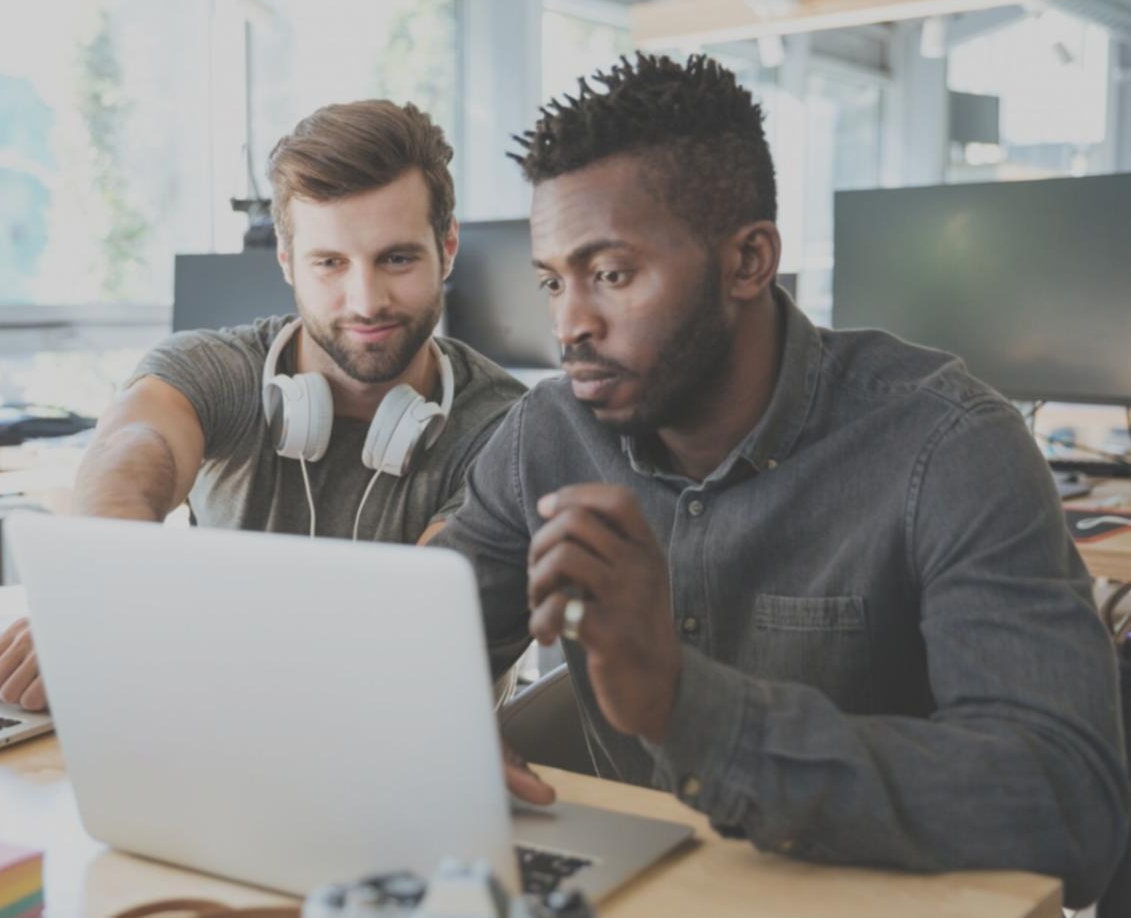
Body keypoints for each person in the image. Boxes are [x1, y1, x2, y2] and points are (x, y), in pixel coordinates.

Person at [433, 53, 1128, 906]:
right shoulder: (548, 431)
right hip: (642, 888)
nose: (568, 324)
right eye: (552, 281)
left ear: (749, 259)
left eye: (610, 274)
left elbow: (1069, 809)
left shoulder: (948, 445)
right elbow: (420, 642)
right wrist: (425, 736)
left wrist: (684, 705)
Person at [0, 99, 527, 712]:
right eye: (330, 263)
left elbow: (408, 634)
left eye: (396, 259)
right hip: (214, 727)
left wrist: (152, 626)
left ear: (446, 248)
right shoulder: (216, 368)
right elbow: (129, 454)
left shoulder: (506, 426)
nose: (365, 300)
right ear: (288, 262)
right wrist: (95, 598)